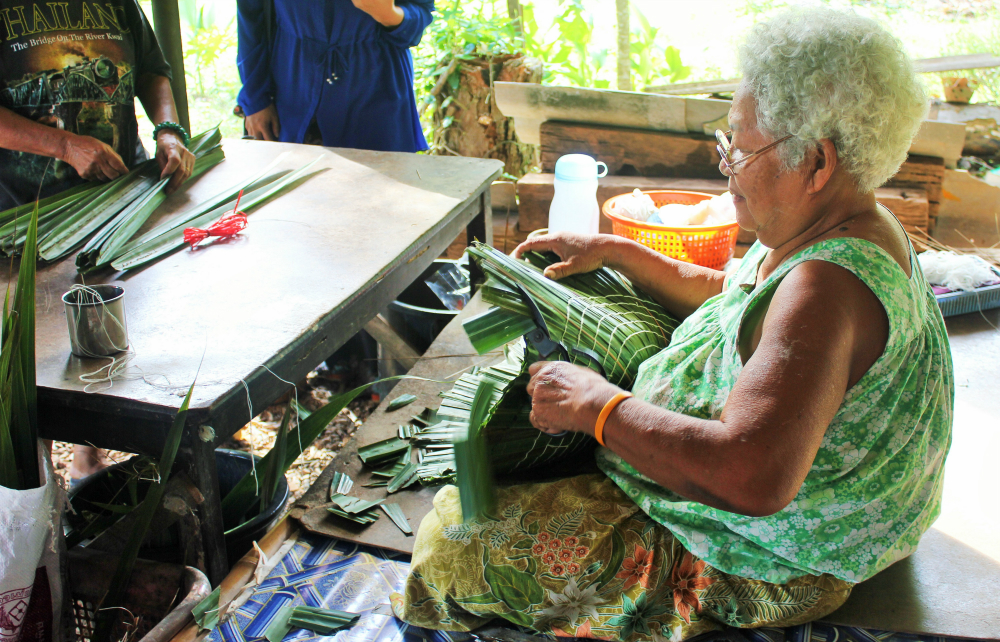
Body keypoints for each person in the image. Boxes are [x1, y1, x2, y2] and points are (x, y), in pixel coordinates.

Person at [396, 7, 953, 640]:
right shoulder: (839, 223)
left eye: (738, 150)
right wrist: (620, 253)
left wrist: (599, 408)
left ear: (818, 163)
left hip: (769, 554)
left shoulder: (826, 288)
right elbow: (733, 297)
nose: (726, 169)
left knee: (455, 539)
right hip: (813, 514)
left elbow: (753, 473)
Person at [0, 0, 195, 481]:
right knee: (33, 346)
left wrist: (167, 130)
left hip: (119, 199)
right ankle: (36, 467)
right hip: (29, 215)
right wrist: (64, 145)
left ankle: (94, 446)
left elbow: (153, 69)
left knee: (116, 321)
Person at [235, 0, 433, 152]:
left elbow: (419, 17)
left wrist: (388, 14)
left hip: (376, 94)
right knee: (294, 197)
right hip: (292, 91)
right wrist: (256, 100)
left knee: (378, 195)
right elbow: (251, 17)